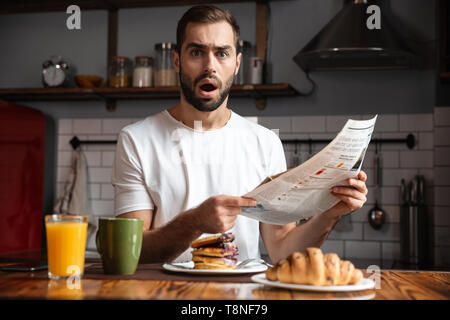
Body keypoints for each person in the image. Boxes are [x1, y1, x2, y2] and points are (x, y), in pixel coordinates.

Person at [111, 5, 368, 264]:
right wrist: (196, 222)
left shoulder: (265, 143)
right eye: (197, 52)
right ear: (177, 61)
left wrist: (330, 214)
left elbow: (282, 251)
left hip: (244, 299)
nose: (210, 66)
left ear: (236, 64)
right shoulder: (137, 140)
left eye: (221, 53)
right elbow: (130, 252)